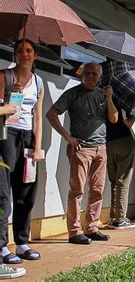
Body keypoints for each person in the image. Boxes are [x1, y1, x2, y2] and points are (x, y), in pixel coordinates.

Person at [46, 62, 118, 245]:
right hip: (80, 149)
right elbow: (51, 114)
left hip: (100, 148)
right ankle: (74, 231)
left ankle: (92, 228)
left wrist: (109, 99)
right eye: (87, 73)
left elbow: (114, 118)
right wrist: (67, 137)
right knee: (77, 190)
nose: (90, 76)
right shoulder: (73, 93)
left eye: (94, 74)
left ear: (100, 77)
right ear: (81, 75)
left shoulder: (103, 94)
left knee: (97, 191)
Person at [0, 39, 44, 268]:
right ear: (15, 54)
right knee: (3, 193)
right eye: (19, 51)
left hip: (28, 138)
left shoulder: (39, 81)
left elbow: (37, 116)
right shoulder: (5, 76)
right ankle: (1, 245)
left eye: (28, 51)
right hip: (7, 135)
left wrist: (37, 146)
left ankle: (22, 242)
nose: (24, 54)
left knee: (26, 191)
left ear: (35, 55)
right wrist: (8, 102)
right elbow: (4, 110)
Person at [106, 102, 135, 230]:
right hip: (124, 141)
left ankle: (114, 217)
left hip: (108, 142)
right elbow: (127, 123)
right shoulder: (126, 102)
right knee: (123, 181)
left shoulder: (102, 99)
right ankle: (120, 219)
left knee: (114, 181)